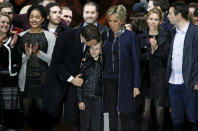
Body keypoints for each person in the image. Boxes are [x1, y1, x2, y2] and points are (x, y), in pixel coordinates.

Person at [43, 24, 102, 129]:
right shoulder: (65, 37)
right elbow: (56, 62)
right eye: (91, 44)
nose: (92, 47)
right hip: (57, 81)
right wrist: (71, 79)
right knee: (52, 116)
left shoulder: (91, 41)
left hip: (75, 86)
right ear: (83, 38)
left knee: (72, 118)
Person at [103, 5, 141, 131]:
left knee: (125, 112)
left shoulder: (130, 36)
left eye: (115, 21)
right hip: (108, 79)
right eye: (110, 20)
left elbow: (136, 62)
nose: (112, 24)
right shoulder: (104, 34)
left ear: (122, 20)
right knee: (111, 113)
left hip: (125, 80)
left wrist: (136, 85)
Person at [18, 5, 56, 116]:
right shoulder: (21, 36)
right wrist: (28, 55)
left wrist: (39, 53)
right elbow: (17, 61)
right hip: (26, 82)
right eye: (31, 17)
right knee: (27, 117)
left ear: (43, 19)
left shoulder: (50, 37)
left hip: (44, 82)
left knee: (42, 118)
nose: (34, 20)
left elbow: (52, 61)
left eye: (37, 17)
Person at [137, 8, 170, 131]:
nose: (153, 22)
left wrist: (156, 49)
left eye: (156, 19)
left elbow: (167, 56)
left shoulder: (166, 36)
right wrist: (150, 52)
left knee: (160, 114)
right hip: (146, 79)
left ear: (161, 21)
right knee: (145, 114)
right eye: (151, 19)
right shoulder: (140, 37)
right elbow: (139, 59)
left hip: (160, 78)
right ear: (147, 20)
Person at [167, 1, 198, 131]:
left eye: (170, 13)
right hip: (173, 82)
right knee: (176, 119)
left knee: (193, 119)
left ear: (178, 15)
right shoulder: (173, 32)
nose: (168, 16)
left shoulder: (195, 32)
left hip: (190, 82)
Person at [0, 12, 21, 129]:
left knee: (10, 119)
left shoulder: (14, 39)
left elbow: (17, 62)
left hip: (10, 81)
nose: (5, 25)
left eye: (8, 23)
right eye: (2, 22)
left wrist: (12, 46)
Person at [77, 42, 103, 131]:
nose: (94, 51)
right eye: (92, 48)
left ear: (101, 51)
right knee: (85, 125)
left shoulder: (103, 65)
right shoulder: (85, 64)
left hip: (98, 99)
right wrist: (80, 100)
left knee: (96, 126)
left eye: (97, 49)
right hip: (85, 98)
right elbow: (79, 83)